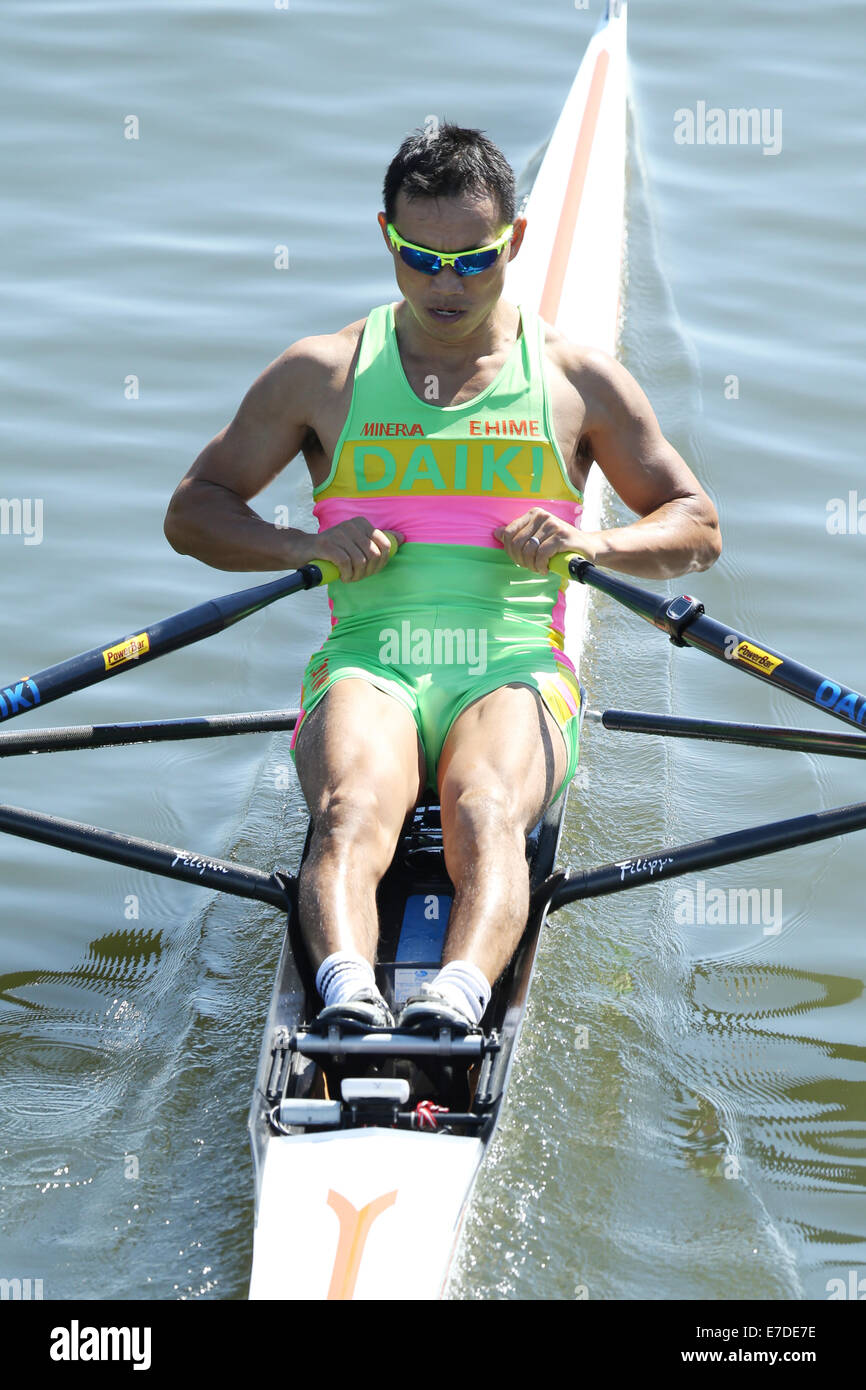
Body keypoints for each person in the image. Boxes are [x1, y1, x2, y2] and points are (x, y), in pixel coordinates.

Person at [164, 123, 721, 1034]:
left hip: (511, 665)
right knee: (348, 811)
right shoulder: (323, 374)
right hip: (369, 658)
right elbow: (194, 511)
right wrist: (301, 547)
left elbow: (696, 526)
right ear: (387, 236)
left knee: (488, 807)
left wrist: (594, 549)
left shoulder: (579, 382)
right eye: (421, 258)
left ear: (518, 242)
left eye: (473, 259)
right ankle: (346, 998)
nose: (446, 283)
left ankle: (455, 1002)